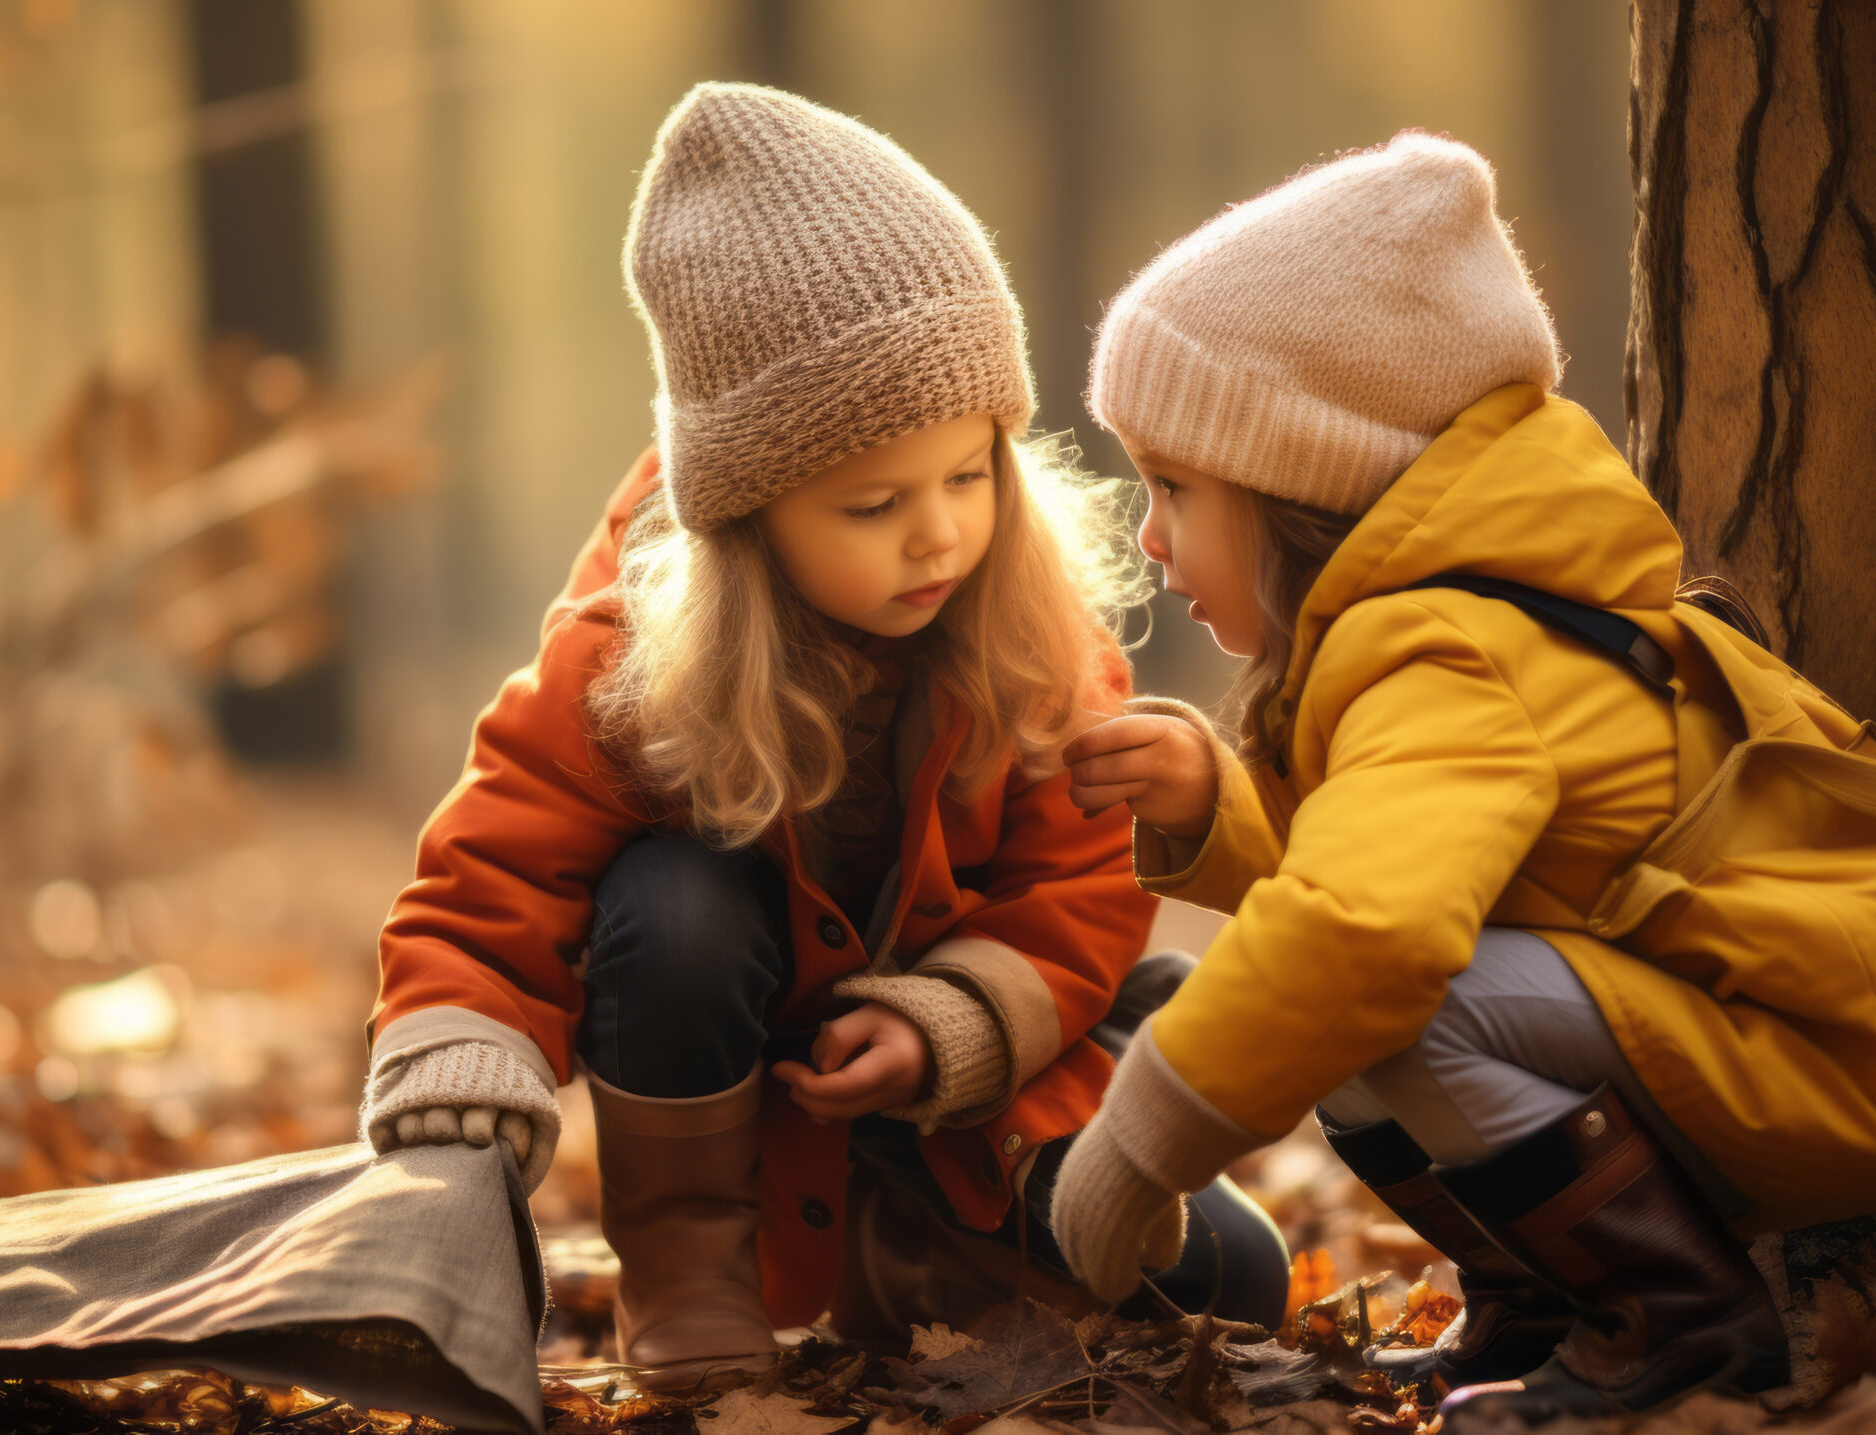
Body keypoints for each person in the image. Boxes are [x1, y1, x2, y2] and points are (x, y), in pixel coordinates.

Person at [1045, 131, 1876, 1425]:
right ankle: (1542, 1307)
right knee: (1348, 1017)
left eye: (1174, 485)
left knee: (1383, 1004)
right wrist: (1214, 809)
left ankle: (1679, 1324)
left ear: (1302, 485)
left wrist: (1140, 1141)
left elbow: (1367, 932)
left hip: (1839, 1061)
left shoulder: (1441, 648)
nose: (1150, 533)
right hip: (1778, 1028)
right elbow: (1382, 866)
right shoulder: (1454, 626)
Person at [358, 83, 1285, 1386]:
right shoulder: (635, 658)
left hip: (951, 1092)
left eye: (970, 476)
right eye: (872, 504)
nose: (940, 535)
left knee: (1235, 1282)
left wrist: (949, 1023)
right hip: (734, 1079)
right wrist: (460, 1040)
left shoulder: (1025, 630)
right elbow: (502, 863)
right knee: (675, 894)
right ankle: (689, 1276)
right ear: (751, 518)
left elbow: (1076, 881)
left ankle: (907, 1246)